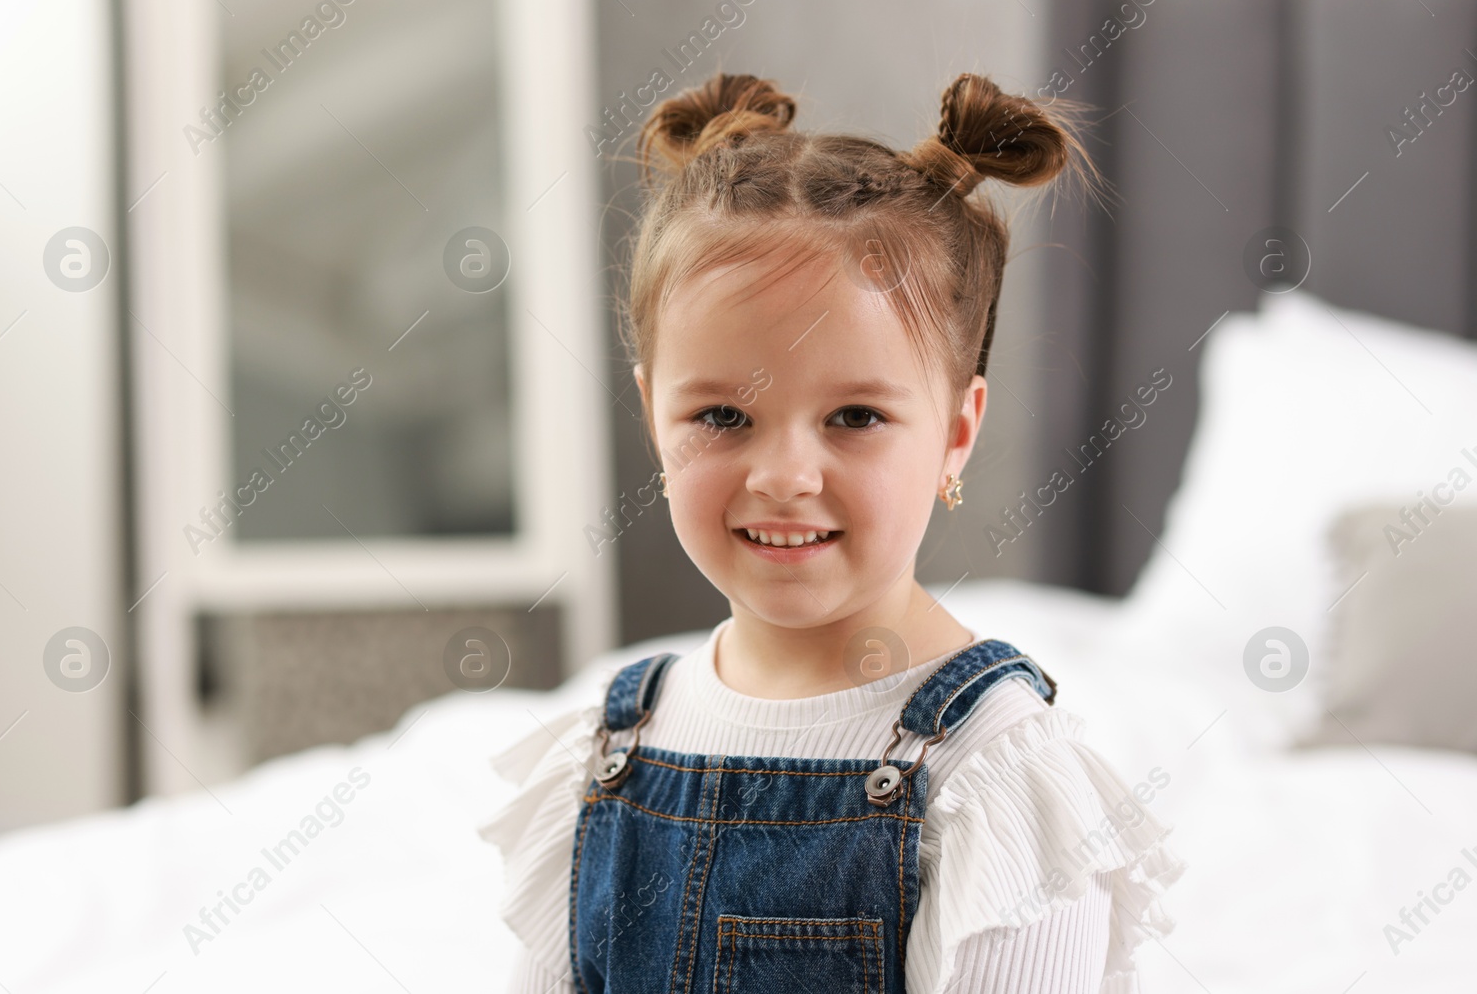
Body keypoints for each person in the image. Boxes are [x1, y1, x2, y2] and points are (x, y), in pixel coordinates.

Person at [478, 71, 1183, 993]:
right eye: (723, 417)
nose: (783, 476)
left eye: (854, 415)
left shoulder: (992, 775)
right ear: (654, 414)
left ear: (955, 433)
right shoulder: (615, 746)